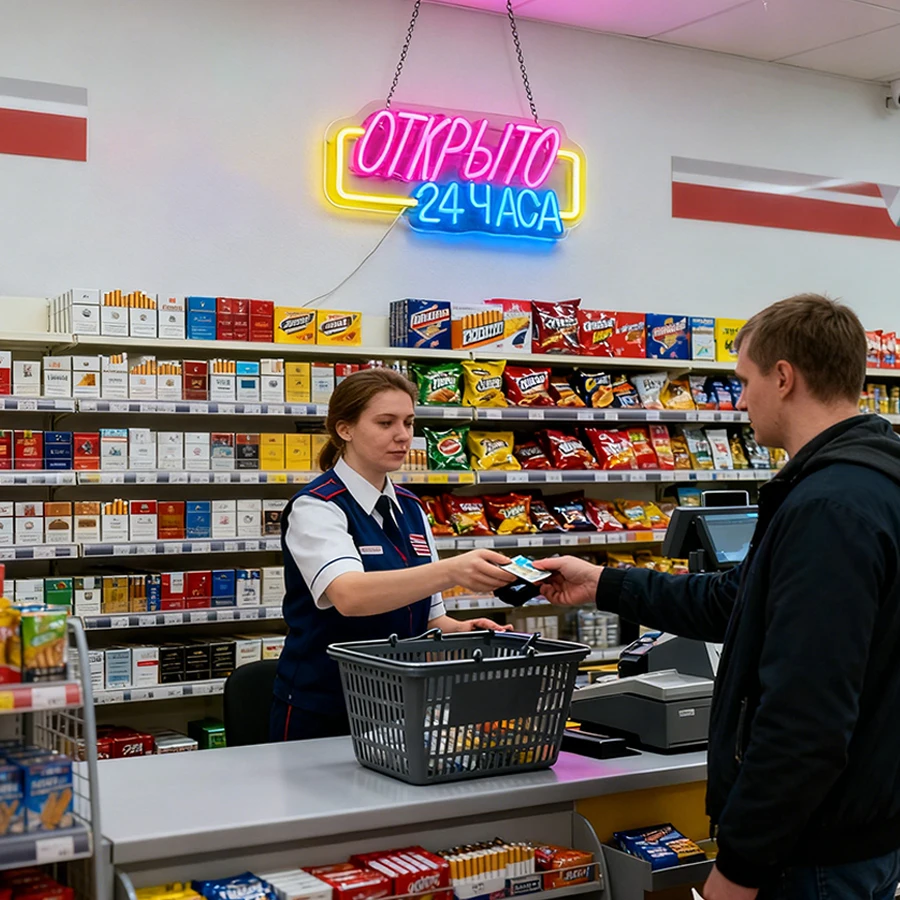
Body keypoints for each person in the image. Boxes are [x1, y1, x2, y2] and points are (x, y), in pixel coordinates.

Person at [536, 294, 900, 900]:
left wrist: (740, 868)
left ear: (783, 378)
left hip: (811, 856)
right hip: (856, 835)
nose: (740, 398)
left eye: (745, 380)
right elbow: (736, 602)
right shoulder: (864, 483)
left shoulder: (830, 508)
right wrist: (603, 583)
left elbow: (805, 719)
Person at [270, 367, 516, 742]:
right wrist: (453, 570)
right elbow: (350, 596)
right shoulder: (317, 507)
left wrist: (461, 632)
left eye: (408, 422)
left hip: (399, 702)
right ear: (344, 429)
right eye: (385, 423)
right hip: (324, 708)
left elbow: (430, 619)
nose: (403, 436)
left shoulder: (411, 508)